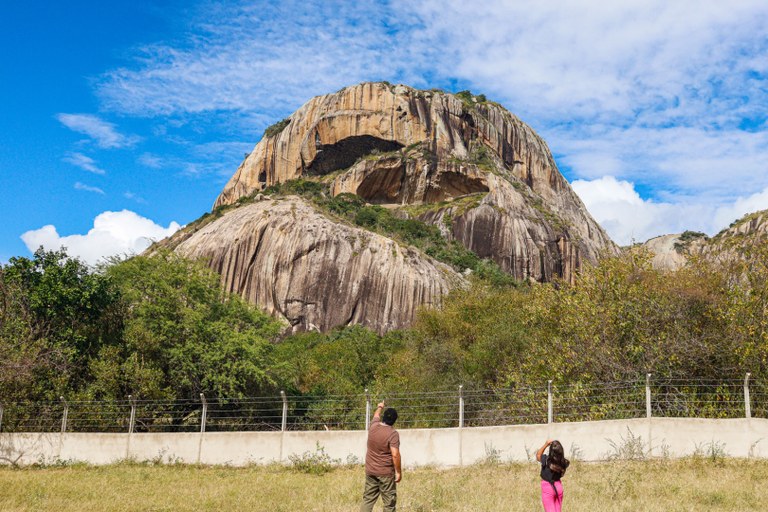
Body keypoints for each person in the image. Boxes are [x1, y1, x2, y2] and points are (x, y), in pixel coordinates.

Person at [360, 401, 401, 512]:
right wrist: (398, 472)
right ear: (394, 420)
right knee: (389, 503)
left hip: (370, 470)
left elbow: (376, 415)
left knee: (368, 499)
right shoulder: (393, 434)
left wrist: (380, 407)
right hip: (385, 473)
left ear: (383, 417)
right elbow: (395, 454)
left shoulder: (373, 426)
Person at [536, 439, 570, 512]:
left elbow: (538, 455)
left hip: (547, 488)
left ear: (551, 451)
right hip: (558, 487)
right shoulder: (564, 462)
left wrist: (546, 444)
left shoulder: (545, 460)